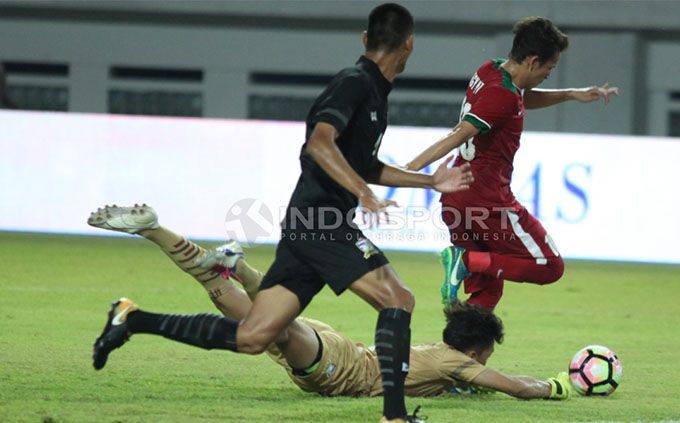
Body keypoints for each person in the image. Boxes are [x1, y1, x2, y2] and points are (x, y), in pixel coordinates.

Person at [89, 5, 474, 423]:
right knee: (397, 299)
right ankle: (394, 417)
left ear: (366, 38)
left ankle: (133, 318)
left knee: (255, 336)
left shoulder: (373, 91)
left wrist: (429, 183)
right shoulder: (355, 83)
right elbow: (319, 145)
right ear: (410, 45)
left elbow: (362, 162)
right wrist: (362, 193)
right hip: (321, 221)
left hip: (308, 225)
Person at [87, 204, 575, 402]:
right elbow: (516, 388)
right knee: (273, 330)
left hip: (339, 345)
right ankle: (238, 270)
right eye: (486, 358)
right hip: (336, 369)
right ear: (476, 352)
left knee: (234, 306)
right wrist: (558, 386)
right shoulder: (455, 363)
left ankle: (156, 231)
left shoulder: (436, 354)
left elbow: (476, 384)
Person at [404, 17, 619, 310]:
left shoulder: (490, 70)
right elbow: (460, 133)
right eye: (549, 67)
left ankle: (458, 352)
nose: (548, 73)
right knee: (549, 265)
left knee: (487, 294)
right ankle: (463, 260)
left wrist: (570, 94)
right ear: (532, 61)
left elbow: (519, 98)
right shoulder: (501, 95)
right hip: (487, 200)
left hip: (457, 199)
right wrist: (408, 169)